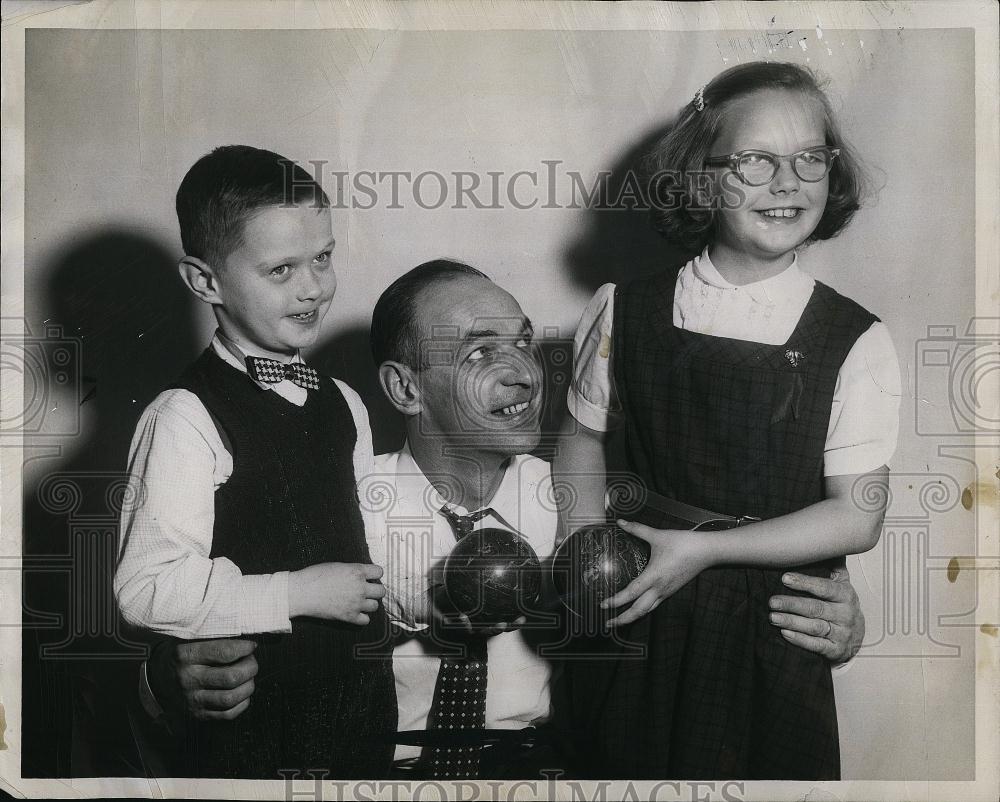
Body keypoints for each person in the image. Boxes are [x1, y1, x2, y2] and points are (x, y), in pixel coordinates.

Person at [555, 61, 901, 780]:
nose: (788, 182)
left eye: (811, 158)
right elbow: (581, 440)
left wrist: (707, 550)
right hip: (638, 600)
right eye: (755, 160)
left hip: (771, 627)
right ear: (701, 175)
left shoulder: (856, 338)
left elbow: (856, 517)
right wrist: (583, 558)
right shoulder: (625, 308)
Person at [113, 145, 396, 779]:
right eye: (281, 269)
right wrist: (296, 593)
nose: (314, 287)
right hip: (254, 741)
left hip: (361, 722)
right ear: (204, 281)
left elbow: (367, 549)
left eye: (322, 258)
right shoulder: (184, 416)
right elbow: (147, 588)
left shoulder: (344, 402)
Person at [363, 259, 564, 779]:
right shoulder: (347, 506)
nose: (524, 376)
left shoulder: (574, 500)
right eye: (479, 353)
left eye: (523, 344)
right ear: (406, 390)